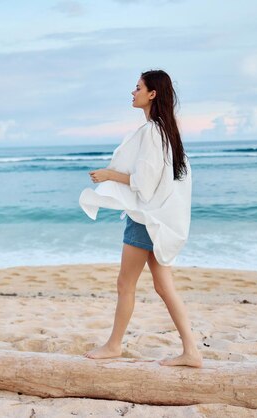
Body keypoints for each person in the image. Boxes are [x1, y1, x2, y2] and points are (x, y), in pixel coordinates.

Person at [79, 69, 202, 367]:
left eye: (137, 88)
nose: (132, 93)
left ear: (152, 94)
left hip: (146, 219)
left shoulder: (152, 132)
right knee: (163, 286)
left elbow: (143, 183)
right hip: (157, 218)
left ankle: (114, 345)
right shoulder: (166, 131)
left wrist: (109, 174)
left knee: (126, 283)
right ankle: (191, 351)